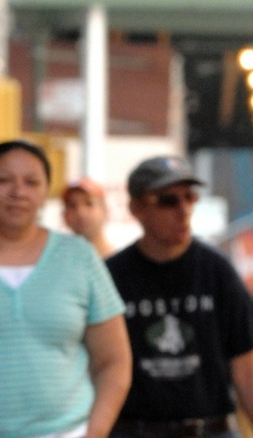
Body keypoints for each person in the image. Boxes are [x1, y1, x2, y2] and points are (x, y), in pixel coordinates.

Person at [0, 140, 132, 438]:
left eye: (32, 182)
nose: (18, 192)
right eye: (4, 180)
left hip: (67, 431)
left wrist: (95, 432)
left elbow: (114, 361)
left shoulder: (79, 257)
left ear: (47, 192)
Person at [107, 155, 253, 438]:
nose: (183, 209)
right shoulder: (113, 276)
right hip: (134, 430)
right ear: (136, 208)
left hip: (210, 429)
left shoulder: (217, 270)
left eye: (190, 197)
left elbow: (246, 368)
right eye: (167, 200)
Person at [62, 177, 116, 258]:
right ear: (64, 215)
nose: (80, 213)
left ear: (105, 211)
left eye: (89, 203)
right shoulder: (59, 261)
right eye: (72, 206)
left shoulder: (120, 263)